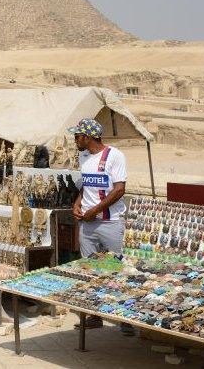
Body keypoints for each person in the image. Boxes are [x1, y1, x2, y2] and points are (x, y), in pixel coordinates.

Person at [69, 118, 133, 335]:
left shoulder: (114, 156)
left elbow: (119, 189)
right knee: (90, 270)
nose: (75, 140)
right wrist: (77, 204)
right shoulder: (84, 156)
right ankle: (94, 315)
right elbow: (85, 186)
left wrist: (94, 210)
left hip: (109, 223)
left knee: (116, 269)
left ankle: (125, 317)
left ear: (87, 137)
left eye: (77, 136)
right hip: (87, 224)